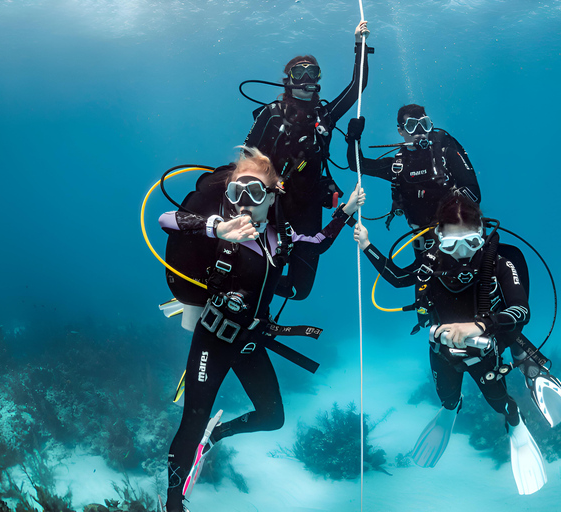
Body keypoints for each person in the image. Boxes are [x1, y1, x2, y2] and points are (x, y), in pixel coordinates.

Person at [159, 147, 364, 512]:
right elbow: (167, 219)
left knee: (272, 418)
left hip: (250, 342)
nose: (243, 202)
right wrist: (216, 228)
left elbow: (318, 243)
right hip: (213, 339)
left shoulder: (281, 237)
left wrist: (345, 211)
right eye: (236, 192)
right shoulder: (222, 229)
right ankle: (173, 504)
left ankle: (217, 434)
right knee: (192, 420)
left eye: (254, 193)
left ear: (272, 197)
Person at [353, 195, 547, 495]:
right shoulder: (430, 262)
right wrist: (367, 245)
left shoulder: (499, 262)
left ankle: (515, 422)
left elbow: (521, 310)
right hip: (441, 350)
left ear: (482, 233)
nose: (462, 254)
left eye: (471, 242)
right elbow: (397, 277)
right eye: (451, 244)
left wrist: (480, 326)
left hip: (484, 349)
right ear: (438, 236)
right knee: (447, 398)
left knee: (499, 401)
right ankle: (449, 411)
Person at [243, 20, 373, 301]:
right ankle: (233, 292)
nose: (305, 77)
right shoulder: (272, 113)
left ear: (318, 78)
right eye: (298, 72)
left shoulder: (324, 115)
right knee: (261, 267)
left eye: (311, 71)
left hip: (310, 205)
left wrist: (360, 44)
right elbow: (246, 157)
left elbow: (357, 86)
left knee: (299, 290)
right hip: (272, 204)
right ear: (288, 80)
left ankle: (251, 291)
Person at [346, 103, 480, 233]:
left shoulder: (446, 153)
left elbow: (474, 193)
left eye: (424, 124)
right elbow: (358, 165)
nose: (420, 131)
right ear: (400, 131)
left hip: (460, 232)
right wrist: (353, 139)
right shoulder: (398, 167)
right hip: (423, 239)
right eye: (411, 126)